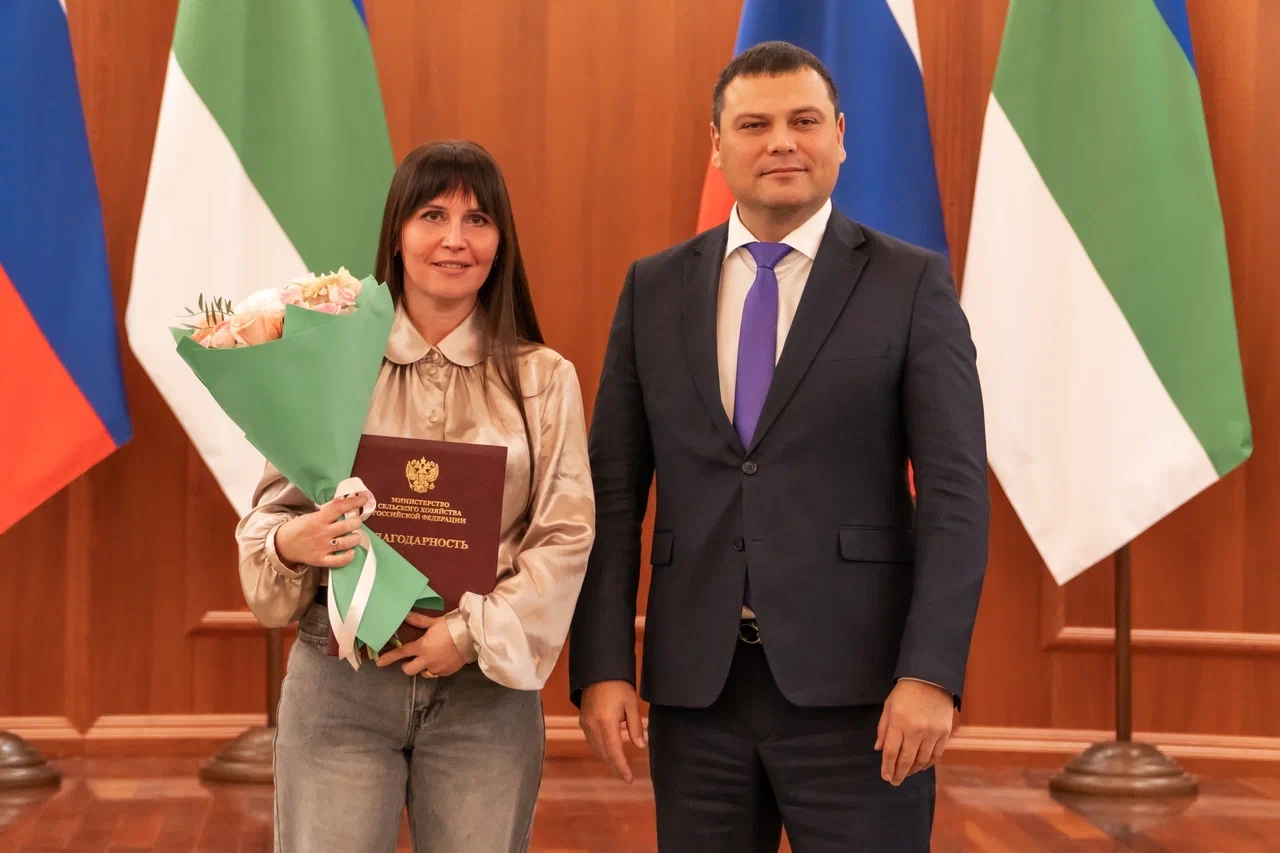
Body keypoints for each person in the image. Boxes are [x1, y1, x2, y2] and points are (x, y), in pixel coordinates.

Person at [569, 41, 989, 852]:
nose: (782, 143)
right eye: (754, 125)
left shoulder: (911, 284)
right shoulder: (653, 288)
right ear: (717, 145)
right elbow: (613, 493)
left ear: (841, 135)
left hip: (863, 698)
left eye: (804, 121)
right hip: (697, 695)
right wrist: (604, 664)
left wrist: (931, 672)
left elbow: (954, 494)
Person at [236, 140, 595, 853]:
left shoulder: (544, 379)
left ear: (501, 242)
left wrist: (468, 635)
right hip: (340, 682)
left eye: (478, 219)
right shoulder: (330, 363)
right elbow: (270, 515)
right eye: (433, 215)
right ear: (397, 234)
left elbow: (564, 535)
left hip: (484, 693)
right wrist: (291, 542)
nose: (455, 239)